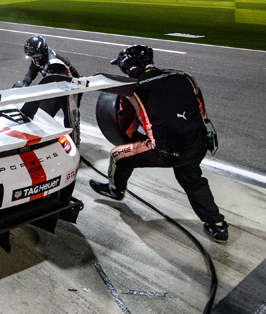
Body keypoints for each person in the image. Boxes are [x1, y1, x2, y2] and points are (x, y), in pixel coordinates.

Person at [89, 44, 229, 243]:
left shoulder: (131, 89)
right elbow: (200, 110)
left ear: (127, 66)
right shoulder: (184, 76)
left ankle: (116, 190)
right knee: (192, 178)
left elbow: (126, 127)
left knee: (118, 155)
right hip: (197, 144)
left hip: (165, 150)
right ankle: (217, 225)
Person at [15, 35, 81, 141]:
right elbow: (31, 72)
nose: (35, 59)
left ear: (44, 52)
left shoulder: (53, 63)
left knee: (70, 120)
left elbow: (49, 84)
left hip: (71, 90)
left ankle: (75, 143)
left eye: (37, 56)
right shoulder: (38, 58)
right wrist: (24, 85)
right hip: (56, 89)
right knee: (43, 116)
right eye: (32, 56)